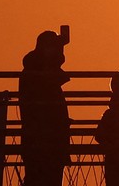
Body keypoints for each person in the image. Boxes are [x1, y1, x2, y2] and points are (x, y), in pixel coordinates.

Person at [19, 29, 71, 186]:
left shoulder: (34, 67)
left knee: (44, 176)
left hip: (42, 136)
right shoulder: (38, 70)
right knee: (42, 176)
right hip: (44, 135)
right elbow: (52, 81)